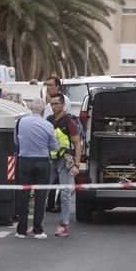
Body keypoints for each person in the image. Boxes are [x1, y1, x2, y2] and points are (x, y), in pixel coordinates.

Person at [14, 98, 59, 240]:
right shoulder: (48, 125)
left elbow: (16, 141)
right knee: (41, 197)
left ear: (30, 108)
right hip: (42, 162)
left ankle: (21, 230)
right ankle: (38, 230)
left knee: (23, 196)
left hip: (24, 161)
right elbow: (54, 147)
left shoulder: (20, 122)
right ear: (44, 110)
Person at [46, 94, 82, 237]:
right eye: (52, 104)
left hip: (64, 160)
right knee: (43, 191)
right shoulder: (48, 120)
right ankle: (37, 225)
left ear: (63, 105)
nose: (54, 107)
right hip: (50, 159)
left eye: (56, 104)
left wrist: (77, 165)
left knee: (65, 193)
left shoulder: (70, 121)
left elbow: (77, 144)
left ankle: (64, 225)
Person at [43, 75, 70, 212]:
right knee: (49, 180)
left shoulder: (64, 101)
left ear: (58, 87)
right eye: (46, 85)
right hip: (49, 151)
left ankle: (60, 204)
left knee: (61, 181)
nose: (48, 87)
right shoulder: (46, 104)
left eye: (51, 85)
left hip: (61, 151)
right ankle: (49, 203)